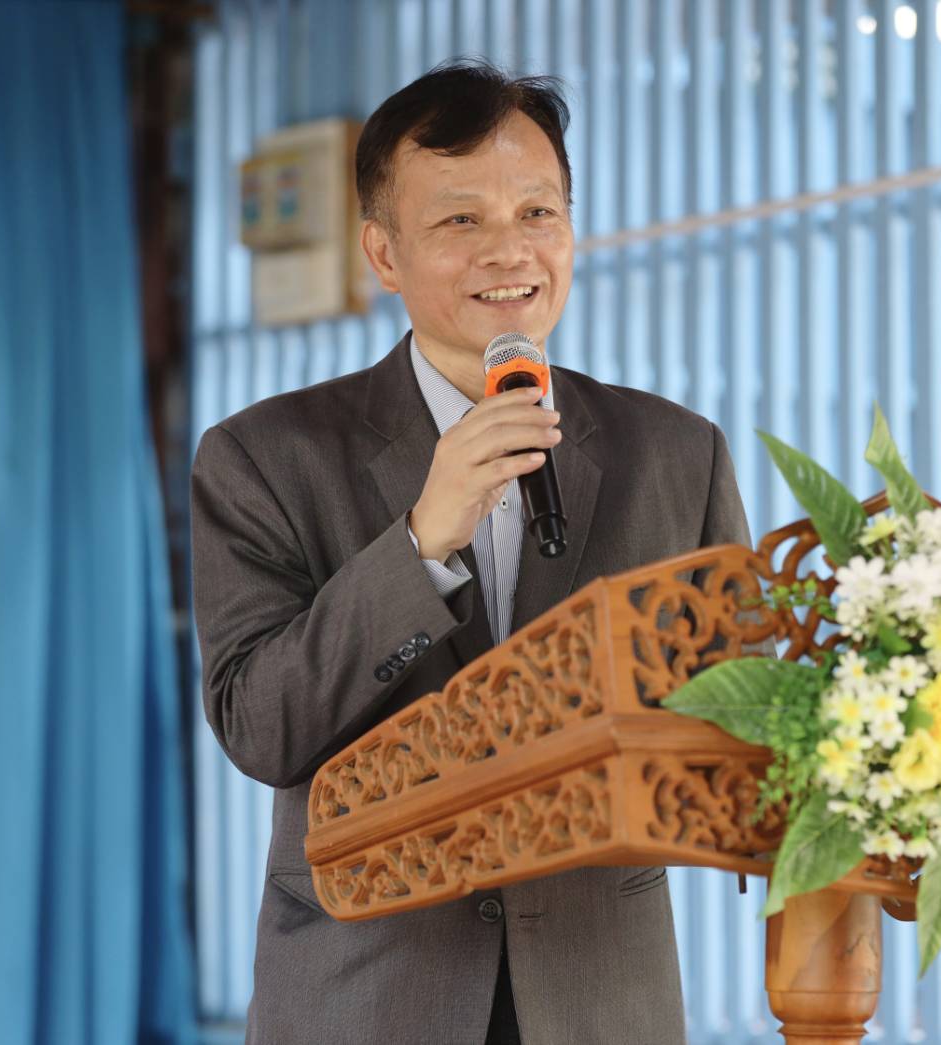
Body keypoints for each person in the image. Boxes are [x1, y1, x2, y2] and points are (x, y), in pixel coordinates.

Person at [191, 59, 752, 1045]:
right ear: (383, 253)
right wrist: (420, 542)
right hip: (364, 993)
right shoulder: (265, 456)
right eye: (460, 222)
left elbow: (741, 721)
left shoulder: (675, 451)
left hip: (599, 997)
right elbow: (261, 726)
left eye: (538, 212)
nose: (510, 252)